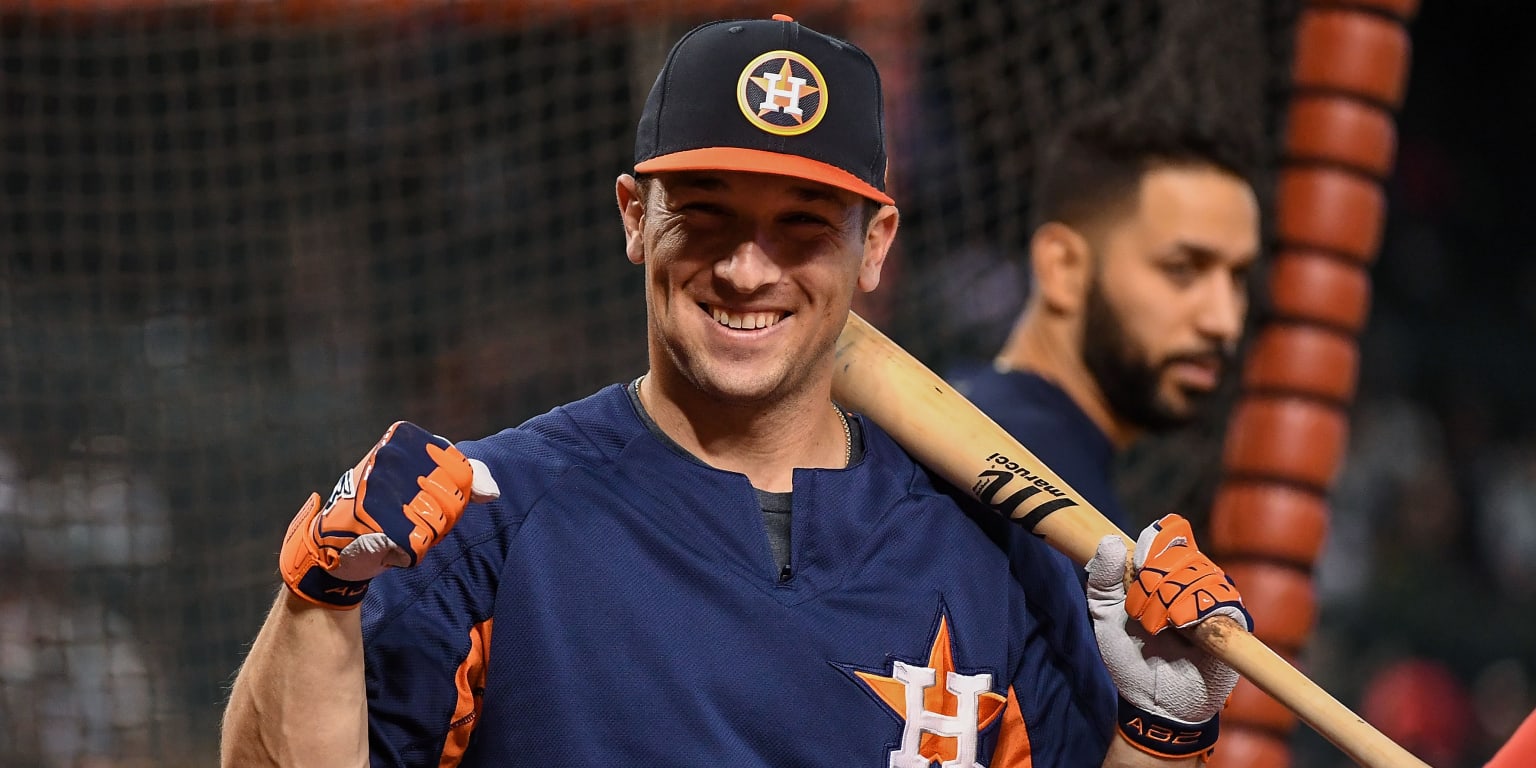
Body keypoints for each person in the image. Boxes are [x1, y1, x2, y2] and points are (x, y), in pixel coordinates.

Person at [220, 15, 1248, 767]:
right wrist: (320, 595)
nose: (748, 270)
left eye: (802, 225)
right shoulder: (491, 516)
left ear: (875, 244)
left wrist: (1162, 733)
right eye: (705, 214)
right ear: (634, 216)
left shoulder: (986, 553)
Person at [953, 102, 1261, 535]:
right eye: (1183, 269)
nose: (1223, 320)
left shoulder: (973, 411)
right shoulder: (1024, 482)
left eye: (1238, 278)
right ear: (1063, 268)